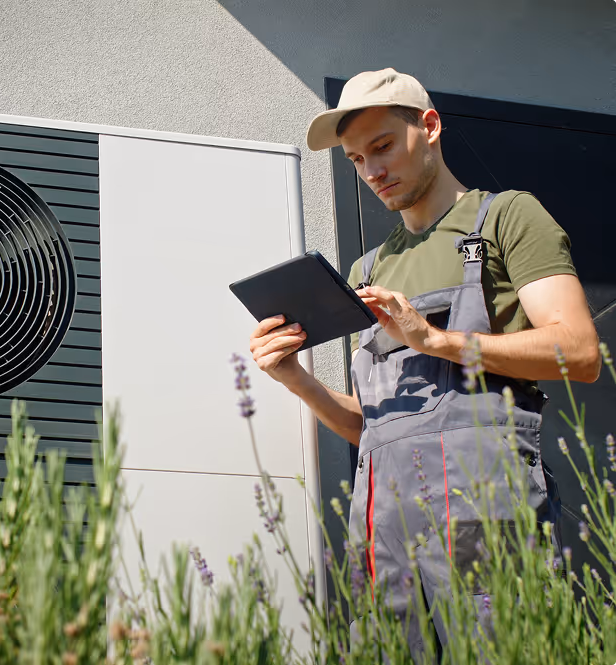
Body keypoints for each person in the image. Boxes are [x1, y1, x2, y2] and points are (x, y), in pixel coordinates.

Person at [248, 68, 600, 658]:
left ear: (429, 126)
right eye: (358, 160)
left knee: (499, 645)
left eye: (382, 146)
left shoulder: (506, 218)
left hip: (480, 510)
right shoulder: (365, 270)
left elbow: (580, 352)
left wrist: (435, 340)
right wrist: (295, 378)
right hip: (384, 522)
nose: (372, 172)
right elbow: (374, 426)